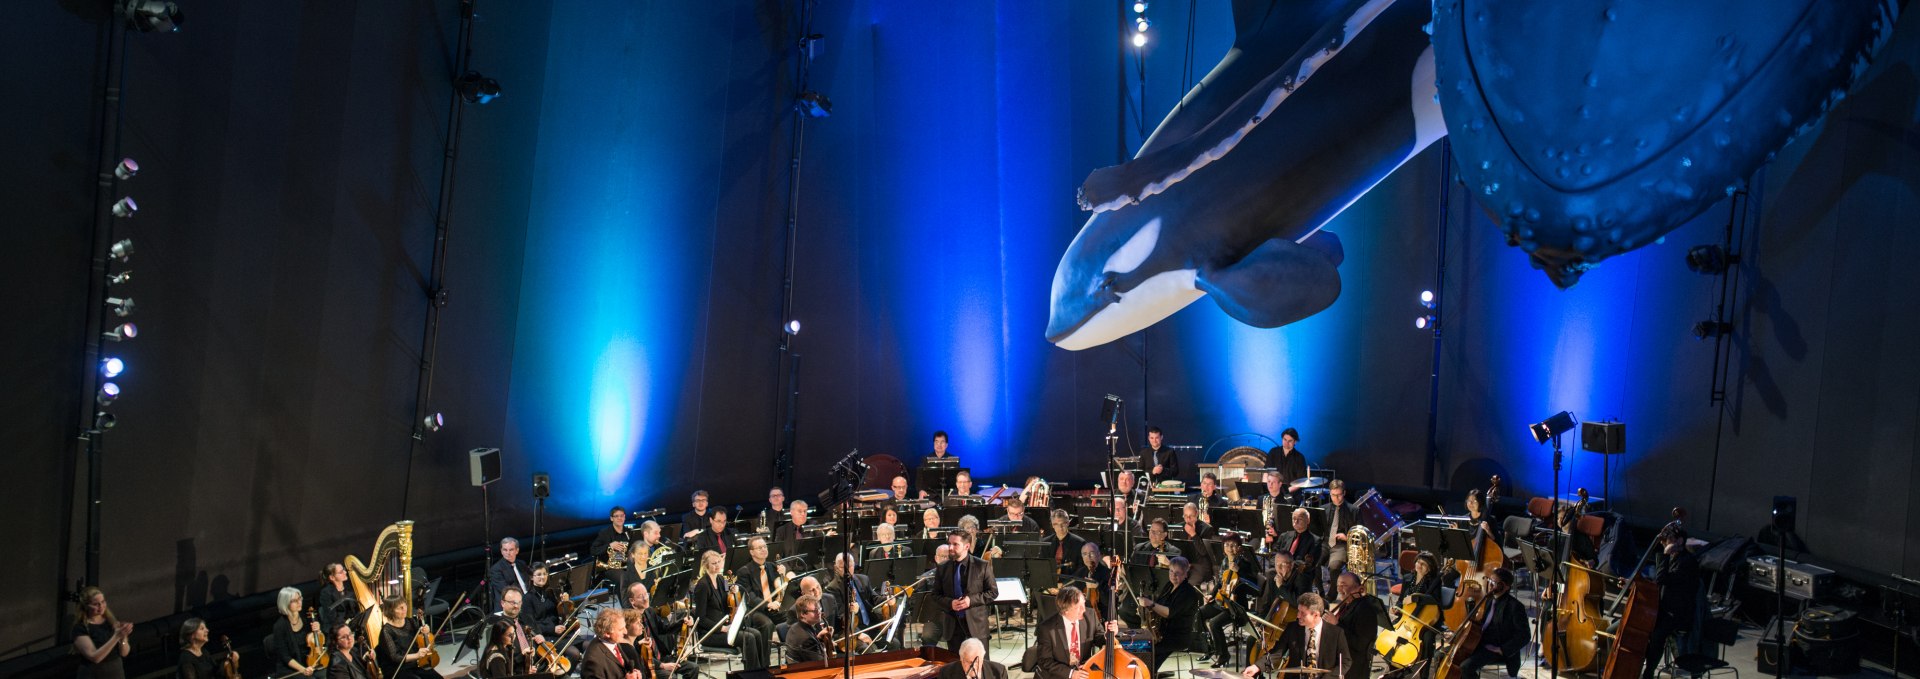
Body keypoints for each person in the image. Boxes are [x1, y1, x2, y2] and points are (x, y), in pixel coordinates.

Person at [1242, 592, 1350, 678]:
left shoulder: (1336, 633)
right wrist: (1256, 667)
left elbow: (1345, 662)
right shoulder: (1292, 628)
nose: (1298, 616)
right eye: (1298, 611)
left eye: (1303, 613)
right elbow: (1276, 654)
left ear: (1316, 615)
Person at [691, 550, 769, 669]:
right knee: (748, 638)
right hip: (710, 634)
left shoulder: (722, 579)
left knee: (757, 634)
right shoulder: (702, 586)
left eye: (718, 562)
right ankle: (752, 674)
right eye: (713, 563)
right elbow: (700, 619)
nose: (717, 565)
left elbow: (729, 599)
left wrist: (734, 592)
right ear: (705, 565)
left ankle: (762, 670)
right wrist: (722, 628)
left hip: (727, 627)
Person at [1640, 529, 1700, 679]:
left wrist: (1665, 555)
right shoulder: (1674, 558)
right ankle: (1639, 666)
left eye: (1668, 539)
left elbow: (1661, 579)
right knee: (1641, 628)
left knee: (1656, 635)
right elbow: (1657, 583)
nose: (1664, 543)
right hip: (1665, 610)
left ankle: (1648, 673)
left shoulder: (1687, 562)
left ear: (1679, 541)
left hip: (1678, 615)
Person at [1031, 585, 1118, 679]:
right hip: (1058, 675)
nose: (1084, 610)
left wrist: (1108, 634)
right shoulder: (1046, 628)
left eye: (1084, 604)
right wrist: (1071, 673)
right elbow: (1045, 661)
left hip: (1083, 671)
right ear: (1066, 611)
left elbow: (1099, 638)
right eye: (1078, 607)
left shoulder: (1090, 615)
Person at [1133, 557, 1202, 675]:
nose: (1173, 575)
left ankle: (1148, 674)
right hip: (1163, 632)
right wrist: (1145, 609)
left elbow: (1169, 613)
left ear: (1186, 574)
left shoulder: (1188, 593)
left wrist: (1150, 603)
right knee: (1138, 646)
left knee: (1148, 652)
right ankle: (1147, 674)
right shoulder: (1169, 586)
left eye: (1177, 573)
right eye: (1171, 571)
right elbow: (1159, 605)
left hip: (1177, 636)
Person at [1455, 568, 1528, 678]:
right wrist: (1458, 635)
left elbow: (1525, 635)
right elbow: (1482, 624)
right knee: (1443, 655)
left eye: (1494, 583)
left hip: (1496, 648)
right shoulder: (1489, 599)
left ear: (1505, 586)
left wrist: (1502, 649)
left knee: (1466, 667)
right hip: (1481, 643)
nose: (1489, 585)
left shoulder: (1515, 606)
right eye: (1489, 581)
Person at [1201, 534, 1260, 667]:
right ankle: (1210, 648)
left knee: (1214, 623)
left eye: (1233, 545)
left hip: (1235, 604)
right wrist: (1211, 594)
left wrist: (1240, 573)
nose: (1229, 548)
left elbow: (1253, 583)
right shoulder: (1224, 561)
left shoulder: (1244, 563)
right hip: (1221, 599)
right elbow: (1221, 582)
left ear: (1239, 548)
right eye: (1227, 545)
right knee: (1200, 613)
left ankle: (1223, 655)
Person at [931, 530, 995, 652]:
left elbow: (992, 592)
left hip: (976, 626)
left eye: (955, 544)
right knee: (956, 666)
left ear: (966, 546)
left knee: (980, 666)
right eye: (950, 543)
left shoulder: (982, 565)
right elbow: (935, 595)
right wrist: (950, 603)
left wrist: (970, 600)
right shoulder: (942, 568)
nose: (950, 547)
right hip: (953, 626)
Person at [1326, 572, 1389, 679]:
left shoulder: (1366, 610)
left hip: (1354, 667)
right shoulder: (1347, 604)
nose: (1339, 589)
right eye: (1338, 585)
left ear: (1358, 588)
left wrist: (1336, 624)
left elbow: (1360, 644)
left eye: (1343, 585)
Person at [735, 536, 785, 653]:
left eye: (764, 546)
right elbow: (749, 597)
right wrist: (767, 605)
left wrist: (783, 576)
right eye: (759, 548)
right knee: (767, 625)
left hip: (773, 607)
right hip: (755, 610)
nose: (764, 549)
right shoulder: (744, 571)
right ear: (751, 552)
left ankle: (792, 655)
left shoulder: (773, 567)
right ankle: (764, 663)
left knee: (793, 616)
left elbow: (780, 589)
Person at [71, 586, 133, 679]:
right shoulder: (80, 628)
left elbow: (124, 653)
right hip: (94, 674)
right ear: (86, 606)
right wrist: (116, 637)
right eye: (96, 604)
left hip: (115, 671)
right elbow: (95, 658)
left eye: (103, 602)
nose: (101, 606)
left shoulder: (111, 621)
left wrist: (123, 637)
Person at [375, 597, 442, 679]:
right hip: (397, 668)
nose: (404, 609)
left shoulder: (410, 621)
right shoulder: (386, 631)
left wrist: (426, 631)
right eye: (400, 608)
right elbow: (395, 657)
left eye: (405, 606)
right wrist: (417, 655)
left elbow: (421, 637)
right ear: (391, 610)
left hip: (415, 664)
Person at [830, 553, 883, 649]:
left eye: (849, 566)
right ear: (836, 568)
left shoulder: (863, 579)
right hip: (853, 630)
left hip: (871, 626)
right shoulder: (833, 588)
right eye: (843, 567)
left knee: (894, 644)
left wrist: (888, 598)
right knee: (871, 649)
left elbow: (875, 599)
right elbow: (841, 617)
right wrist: (858, 633)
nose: (847, 570)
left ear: (854, 564)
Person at [267, 586, 317, 678]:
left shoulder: (306, 619)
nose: (299, 602)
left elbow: (315, 643)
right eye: (294, 601)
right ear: (285, 604)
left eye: (299, 598)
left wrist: (317, 630)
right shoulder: (279, 626)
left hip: (309, 663)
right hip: (291, 669)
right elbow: (285, 657)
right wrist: (303, 669)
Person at [1275, 508, 1323, 593]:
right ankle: (1269, 605)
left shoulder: (1315, 540)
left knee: (1299, 578)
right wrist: (1278, 566)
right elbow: (1274, 554)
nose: (1295, 522)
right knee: (1270, 573)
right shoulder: (1284, 536)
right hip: (1280, 569)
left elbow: (1309, 564)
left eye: (1299, 519)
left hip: (1298, 572)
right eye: (1294, 519)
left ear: (1308, 521)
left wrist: (1288, 566)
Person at [577, 611, 636, 679]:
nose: (625, 632)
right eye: (621, 629)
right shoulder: (594, 662)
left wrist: (632, 673)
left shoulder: (612, 640)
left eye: (625, 627)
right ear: (607, 633)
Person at [784, 594, 835, 663]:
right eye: (815, 611)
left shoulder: (794, 627)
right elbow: (821, 663)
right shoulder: (806, 639)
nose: (819, 612)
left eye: (820, 609)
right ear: (803, 614)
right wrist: (827, 644)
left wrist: (819, 638)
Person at [1324, 480, 1359, 574]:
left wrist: (1347, 538)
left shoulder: (1354, 511)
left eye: (1339, 495)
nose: (1336, 498)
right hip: (1325, 544)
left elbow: (1360, 535)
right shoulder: (1323, 509)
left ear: (1344, 493)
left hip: (1341, 545)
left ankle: (1334, 589)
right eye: (1333, 495)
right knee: (1312, 563)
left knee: (1334, 567)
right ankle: (1320, 588)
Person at [491, 537, 535, 611]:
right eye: (505, 550)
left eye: (511, 550)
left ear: (517, 550)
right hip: (509, 608)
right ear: (501, 551)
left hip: (527, 604)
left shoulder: (521, 564)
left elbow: (529, 583)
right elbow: (506, 591)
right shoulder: (496, 569)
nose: (508, 553)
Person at [315, 564, 360, 635]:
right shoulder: (326, 593)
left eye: (344, 570)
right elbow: (332, 617)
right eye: (341, 572)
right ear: (332, 577)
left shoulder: (349, 587)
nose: (345, 572)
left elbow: (356, 608)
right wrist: (348, 624)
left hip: (352, 625)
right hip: (336, 630)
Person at [591, 506, 634, 580]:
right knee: (624, 578)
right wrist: (610, 545)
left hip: (626, 565)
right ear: (611, 518)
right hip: (609, 568)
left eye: (622, 516)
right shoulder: (605, 533)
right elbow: (593, 550)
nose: (619, 518)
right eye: (616, 516)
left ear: (625, 517)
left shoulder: (630, 532)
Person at [524, 566, 565, 640]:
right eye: (539, 574)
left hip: (559, 631)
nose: (542, 577)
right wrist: (552, 629)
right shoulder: (527, 598)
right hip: (544, 635)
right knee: (574, 651)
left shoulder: (550, 592)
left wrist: (563, 603)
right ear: (531, 577)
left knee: (586, 644)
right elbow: (531, 625)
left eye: (544, 574)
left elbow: (558, 615)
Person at [936, 638, 1007, 679]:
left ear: (983, 657)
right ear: (961, 659)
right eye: (968, 662)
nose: (973, 666)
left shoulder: (999, 672)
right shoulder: (946, 673)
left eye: (976, 661)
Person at [1045, 509, 1088, 574]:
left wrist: (1064, 583)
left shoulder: (1080, 543)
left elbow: (1082, 570)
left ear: (1068, 523)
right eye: (1056, 524)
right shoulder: (1045, 543)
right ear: (1053, 525)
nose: (1060, 527)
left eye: (1063, 523)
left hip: (1070, 582)